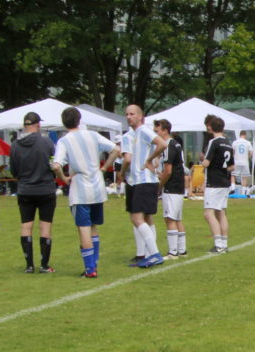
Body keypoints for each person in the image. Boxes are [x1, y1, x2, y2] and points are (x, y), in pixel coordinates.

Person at [50, 106, 113, 277]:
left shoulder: (64, 141)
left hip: (80, 190)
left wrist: (63, 177)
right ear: (79, 120)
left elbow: (56, 165)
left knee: (83, 228)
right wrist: (105, 167)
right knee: (93, 226)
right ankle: (94, 264)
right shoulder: (92, 135)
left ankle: (90, 269)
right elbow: (115, 149)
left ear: (64, 123)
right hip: (98, 188)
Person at [9, 112, 59, 273]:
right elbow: (53, 165)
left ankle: (29, 265)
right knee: (45, 227)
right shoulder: (47, 143)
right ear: (38, 125)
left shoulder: (15, 145)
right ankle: (44, 265)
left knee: (26, 226)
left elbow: (13, 170)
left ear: (25, 126)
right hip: (45, 189)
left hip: (25, 189)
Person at [121, 104, 163, 268]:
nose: (128, 117)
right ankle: (149, 254)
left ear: (140, 116)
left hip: (144, 180)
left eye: (132, 114)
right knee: (146, 218)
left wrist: (149, 160)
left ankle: (154, 254)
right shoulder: (136, 133)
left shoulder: (143, 130)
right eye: (127, 114)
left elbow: (162, 144)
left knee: (136, 218)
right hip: (143, 180)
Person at [152, 119, 187, 258]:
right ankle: (182, 250)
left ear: (165, 131)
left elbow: (168, 171)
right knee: (177, 218)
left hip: (171, 186)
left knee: (169, 219)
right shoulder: (176, 144)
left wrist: (159, 186)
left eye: (157, 131)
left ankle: (173, 252)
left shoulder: (168, 145)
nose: (156, 134)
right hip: (179, 185)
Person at [201, 115, 233, 253]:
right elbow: (232, 166)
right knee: (221, 212)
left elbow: (206, 162)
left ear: (211, 127)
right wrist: (222, 168)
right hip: (224, 181)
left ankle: (218, 244)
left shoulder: (213, 142)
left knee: (208, 213)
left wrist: (202, 161)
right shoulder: (228, 143)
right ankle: (224, 244)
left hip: (214, 182)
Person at [231, 130, 254, 195]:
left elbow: (233, 151)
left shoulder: (235, 142)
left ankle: (233, 188)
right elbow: (251, 153)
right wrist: (247, 157)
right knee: (244, 177)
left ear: (240, 135)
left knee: (233, 175)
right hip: (245, 162)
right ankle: (243, 192)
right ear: (245, 135)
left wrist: (234, 157)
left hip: (237, 161)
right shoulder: (248, 142)